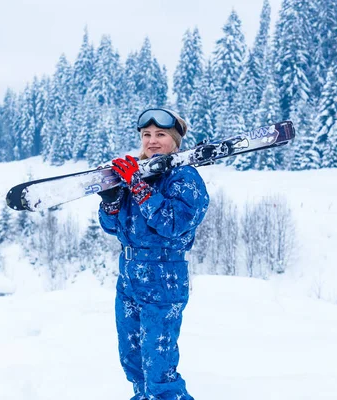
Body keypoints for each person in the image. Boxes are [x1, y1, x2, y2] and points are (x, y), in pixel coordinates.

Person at [98, 108, 210, 400]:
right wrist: (111, 201)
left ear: (175, 140)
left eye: (160, 134)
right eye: (147, 135)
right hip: (129, 275)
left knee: (159, 368)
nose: (152, 141)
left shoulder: (185, 177)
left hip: (163, 278)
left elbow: (172, 224)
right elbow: (114, 228)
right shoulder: (137, 171)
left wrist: (138, 186)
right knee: (132, 360)